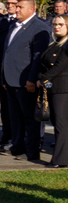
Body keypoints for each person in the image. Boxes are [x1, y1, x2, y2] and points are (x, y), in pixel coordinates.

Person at [1, 0, 51, 161]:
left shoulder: (39, 28)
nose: (16, 10)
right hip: (11, 79)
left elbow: (38, 57)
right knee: (15, 117)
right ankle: (17, 146)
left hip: (26, 82)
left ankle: (31, 151)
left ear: (32, 9)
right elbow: (8, 52)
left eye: (20, 7)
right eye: (16, 6)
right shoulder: (14, 25)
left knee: (30, 119)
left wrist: (32, 79)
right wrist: (3, 76)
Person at [0, 0, 21, 149]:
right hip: (1, 70)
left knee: (17, 109)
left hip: (17, 73)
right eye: (8, 3)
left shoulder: (21, 23)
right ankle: (6, 134)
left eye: (13, 3)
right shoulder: (0, 21)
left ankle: (17, 138)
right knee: (5, 106)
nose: (10, 6)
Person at [37, 15, 68, 167]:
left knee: (61, 124)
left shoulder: (66, 45)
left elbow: (59, 66)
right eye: (55, 24)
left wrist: (43, 79)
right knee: (57, 122)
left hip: (62, 88)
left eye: (61, 24)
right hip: (52, 87)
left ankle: (60, 160)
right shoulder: (55, 43)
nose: (57, 27)